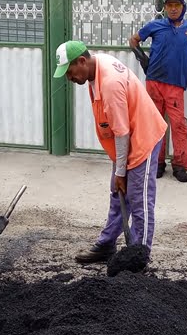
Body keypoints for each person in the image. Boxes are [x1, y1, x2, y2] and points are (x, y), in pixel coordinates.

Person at [54, 40, 166, 265]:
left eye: (69, 71)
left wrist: (121, 171)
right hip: (126, 139)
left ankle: (138, 256)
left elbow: (122, 133)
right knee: (118, 192)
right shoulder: (94, 68)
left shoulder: (110, 84)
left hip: (143, 137)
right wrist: (119, 172)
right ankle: (107, 245)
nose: (68, 78)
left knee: (139, 198)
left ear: (82, 61)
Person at [129, 0, 187, 183]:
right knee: (154, 124)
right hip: (154, 82)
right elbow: (133, 40)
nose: (173, 9)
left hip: (175, 85)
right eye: (169, 5)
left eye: (177, 5)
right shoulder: (155, 26)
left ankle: (180, 165)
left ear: (183, 7)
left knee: (178, 125)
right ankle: (157, 163)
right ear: (165, 7)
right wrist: (142, 57)